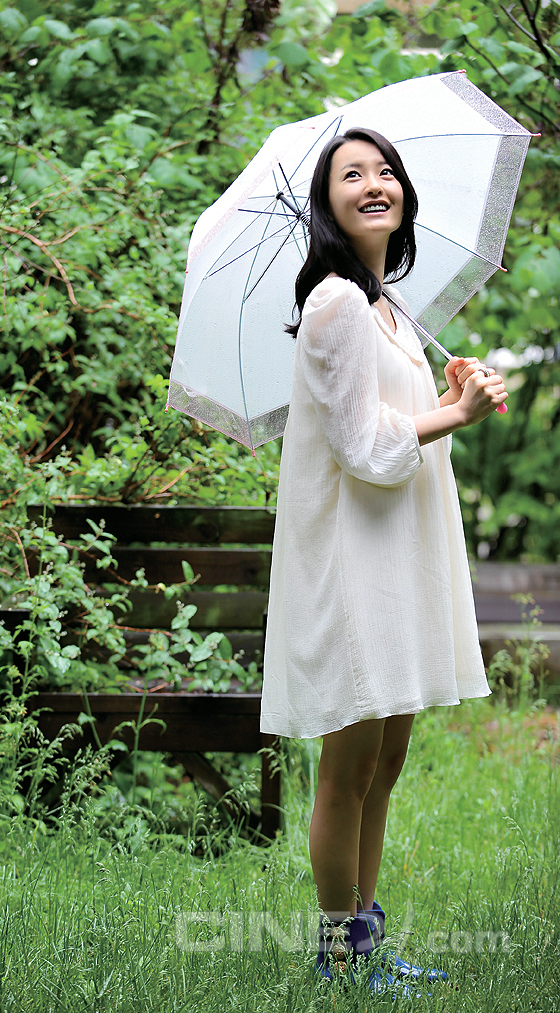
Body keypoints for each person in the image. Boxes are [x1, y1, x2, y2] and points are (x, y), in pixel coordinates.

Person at [259, 128, 508, 991]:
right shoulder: (334, 301)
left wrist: (444, 394)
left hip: (393, 556)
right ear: (326, 204)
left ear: (403, 192)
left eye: (385, 171)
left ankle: (365, 940)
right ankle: (340, 957)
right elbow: (364, 447)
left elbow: (390, 420)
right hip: (353, 563)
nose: (374, 184)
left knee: (385, 764)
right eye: (350, 174)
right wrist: (457, 416)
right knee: (348, 768)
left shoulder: (387, 306)